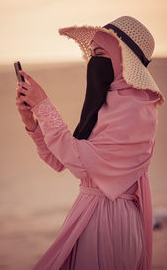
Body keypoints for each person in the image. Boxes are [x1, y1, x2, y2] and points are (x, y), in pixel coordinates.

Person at [15, 16, 165, 270]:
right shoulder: (105, 102)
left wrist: (44, 107)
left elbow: (79, 163)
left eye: (100, 52)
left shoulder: (137, 109)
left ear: (122, 59)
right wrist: (32, 122)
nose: (93, 61)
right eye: (92, 52)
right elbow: (61, 160)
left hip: (112, 222)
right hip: (88, 212)